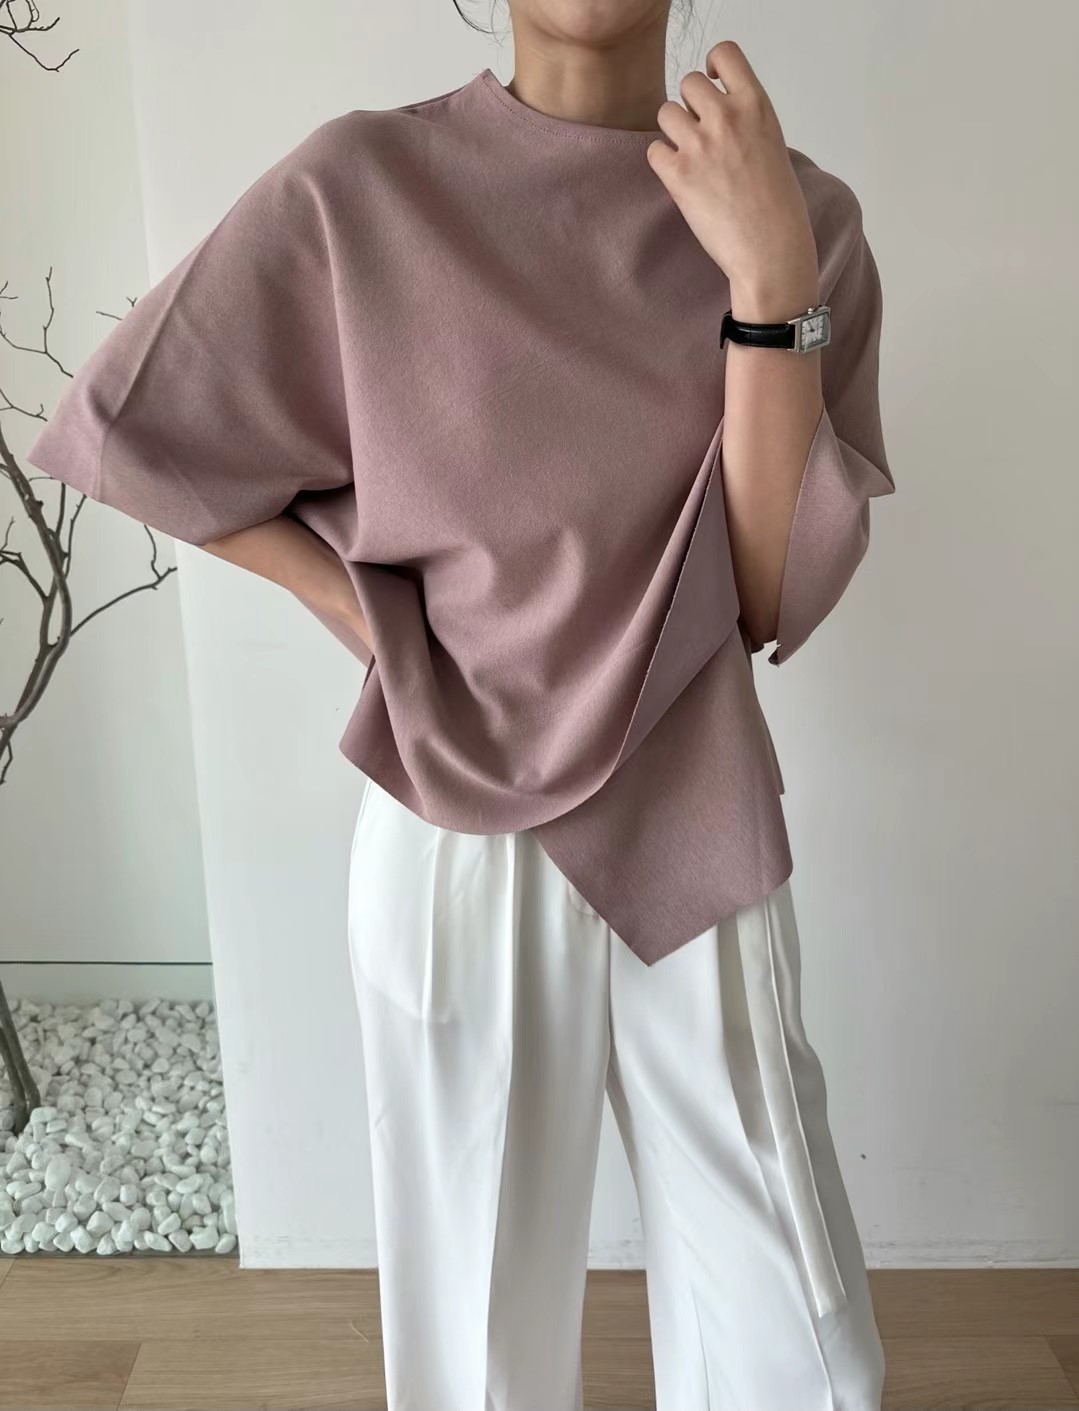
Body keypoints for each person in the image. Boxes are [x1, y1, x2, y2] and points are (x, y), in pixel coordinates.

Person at [27, 2, 895, 1407]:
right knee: (477, 1354)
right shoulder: (364, 186)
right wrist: (364, 615)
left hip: (696, 817)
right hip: (457, 829)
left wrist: (768, 278)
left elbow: (769, 596)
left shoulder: (800, 216)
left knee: (803, 1352)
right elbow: (129, 424)